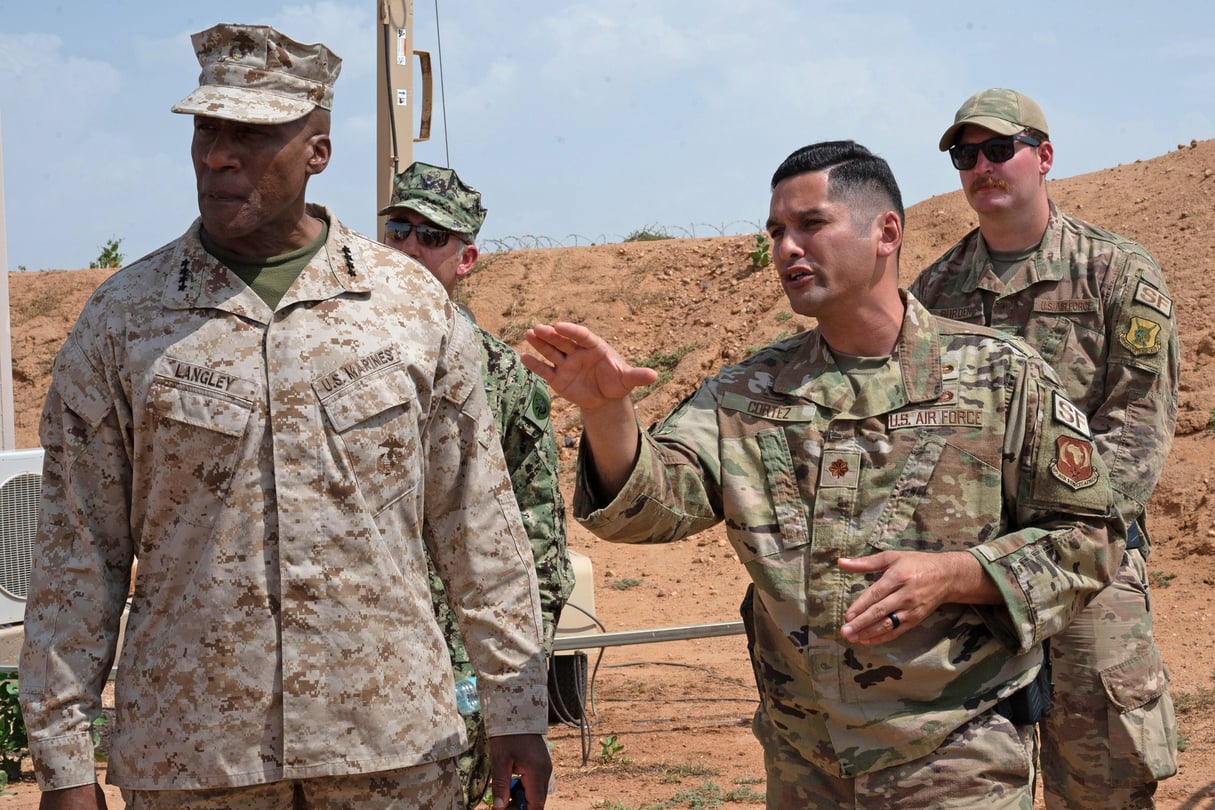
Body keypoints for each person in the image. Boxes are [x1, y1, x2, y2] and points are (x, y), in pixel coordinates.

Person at [19, 23, 551, 810]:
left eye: (253, 133)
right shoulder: (122, 320)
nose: (216, 154)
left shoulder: (409, 308)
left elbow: (477, 520)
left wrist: (516, 709)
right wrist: (63, 763)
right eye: (206, 129)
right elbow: (77, 552)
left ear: (317, 151)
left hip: (390, 746)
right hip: (195, 759)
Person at [523, 140, 1122, 809]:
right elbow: (653, 507)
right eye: (776, 231)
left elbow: (1089, 540)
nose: (785, 248)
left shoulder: (1000, 378)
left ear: (884, 232)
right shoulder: (747, 391)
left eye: (810, 225)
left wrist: (957, 574)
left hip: (952, 750)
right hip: (804, 758)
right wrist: (608, 414)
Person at [910, 88, 1179, 809]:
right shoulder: (932, 294)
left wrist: (1057, 542)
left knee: (1104, 779)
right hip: (973, 582)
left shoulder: (1116, 273)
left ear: (1043, 156)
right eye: (965, 155)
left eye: (999, 149)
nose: (982, 167)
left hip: (1087, 566)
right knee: (962, 779)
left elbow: (1136, 429)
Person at [378, 161, 574, 809]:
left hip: (456, 687)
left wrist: (514, 698)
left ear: (465, 259)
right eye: (398, 227)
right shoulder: (329, 356)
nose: (408, 247)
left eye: (430, 237)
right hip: (352, 684)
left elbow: (538, 549)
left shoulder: (503, 378)